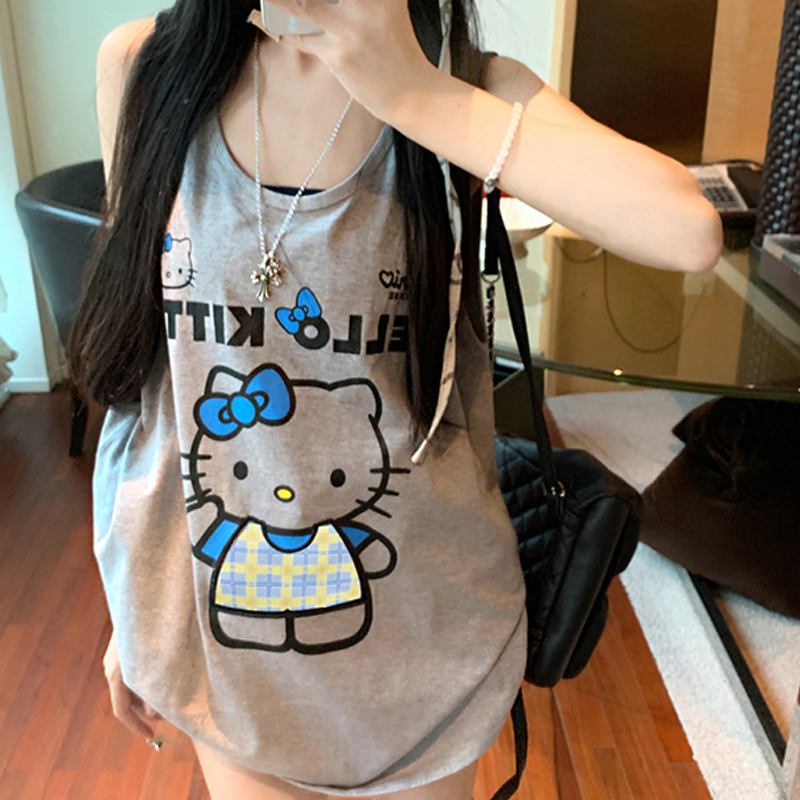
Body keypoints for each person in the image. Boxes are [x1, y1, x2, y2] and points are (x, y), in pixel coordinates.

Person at [69, 1, 722, 798]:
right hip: (222, 651)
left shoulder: (464, 83)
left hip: (424, 659)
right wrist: (134, 601)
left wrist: (418, 95)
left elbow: (688, 229)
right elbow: (150, 383)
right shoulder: (142, 69)